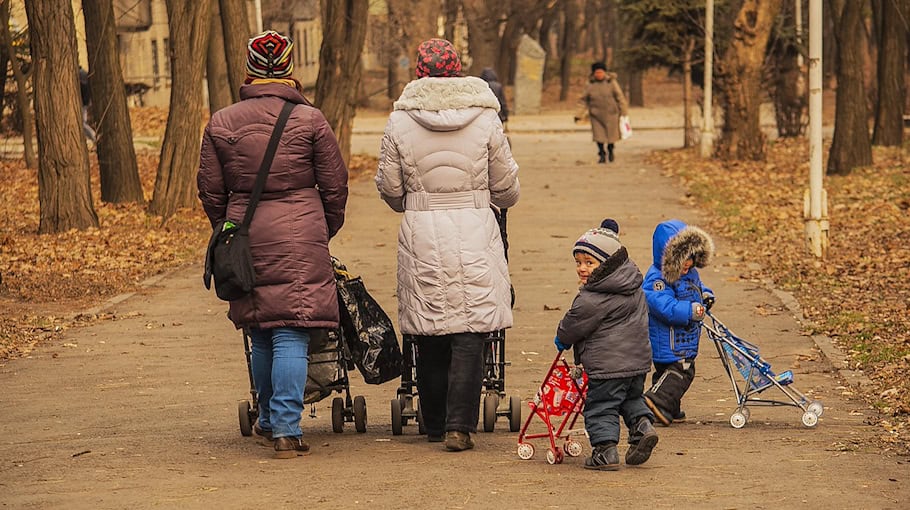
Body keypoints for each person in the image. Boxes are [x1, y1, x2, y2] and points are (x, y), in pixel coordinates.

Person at [197, 30, 349, 459]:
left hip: (245, 232)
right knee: (292, 333)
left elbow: (210, 190)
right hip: (301, 232)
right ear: (287, 70)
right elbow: (335, 186)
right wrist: (322, 228)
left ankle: (268, 419)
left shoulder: (221, 122)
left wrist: (230, 232)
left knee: (261, 331)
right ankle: (285, 428)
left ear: (250, 71)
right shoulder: (310, 120)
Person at [375, 38, 519, 452]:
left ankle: (434, 422)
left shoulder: (399, 122)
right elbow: (506, 189)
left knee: (431, 327)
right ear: (458, 71)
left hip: (422, 230)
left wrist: (416, 202)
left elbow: (390, 187)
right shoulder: (486, 118)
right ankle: (460, 426)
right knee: (471, 328)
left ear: (418, 73)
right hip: (475, 227)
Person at [553, 219, 658, 470]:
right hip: (637, 363)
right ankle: (642, 427)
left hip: (606, 367)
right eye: (578, 262)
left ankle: (605, 451)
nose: (582, 268)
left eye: (589, 263)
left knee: (601, 406)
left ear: (608, 264)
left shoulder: (593, 298)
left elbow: (573, 324)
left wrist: (562, 338)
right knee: (630, 399)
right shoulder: (634, 288)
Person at [642, 219, 715, 426]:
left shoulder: (690, 273)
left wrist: (706, 295)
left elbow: (697, 287)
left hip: (683, 338)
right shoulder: (657, 278)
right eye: (683, 260)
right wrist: (689, 310)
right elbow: (661, 304)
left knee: (667, 373)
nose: (688, 264)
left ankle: (669, 407)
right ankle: (655, 400)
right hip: (669, 339)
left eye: (691, 258)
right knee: (683, 371)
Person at [574, 62, 628, 164]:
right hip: (596, 115)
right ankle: (602, 153)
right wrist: (578, 114)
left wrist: (623, 111)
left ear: (604, 72)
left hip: (611, 114)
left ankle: (611, 150)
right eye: (597, 72)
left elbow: (619, 97)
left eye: (601, 72)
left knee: (612, 136)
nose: (599, 74)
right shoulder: (590, 84)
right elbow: (583, 100)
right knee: (598, 136)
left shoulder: (611, 83)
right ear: (594, 73)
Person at [78, 67, 97, 144]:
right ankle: (90, 137)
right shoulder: (83, 73)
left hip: (83, 102)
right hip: (85, 102)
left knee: (82, 123)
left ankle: (93, 136)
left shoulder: (80, 74)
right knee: (82, 123)